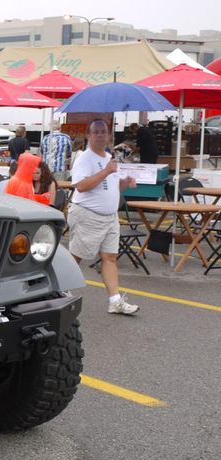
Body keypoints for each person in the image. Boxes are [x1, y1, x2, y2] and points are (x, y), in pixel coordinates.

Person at [69, 119, 139, 316]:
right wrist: (106, 171)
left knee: (110, 257)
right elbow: (81, 186)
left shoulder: (109, 157)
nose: (100, 135)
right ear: (88, 136)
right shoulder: (85, 158)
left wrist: (125, 182)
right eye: (96, 132)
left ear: (109, 135)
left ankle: (115, 300)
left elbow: (112, 187)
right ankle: (58, 291)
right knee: (76, 256)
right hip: (89, 215)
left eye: (103, 132)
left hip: (109, 217)